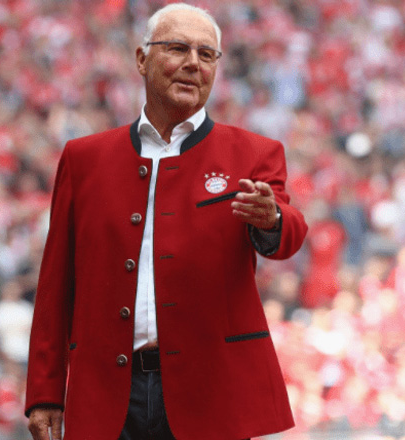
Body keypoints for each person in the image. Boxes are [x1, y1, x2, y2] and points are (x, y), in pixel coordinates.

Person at [25, 4, 308, 440]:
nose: (194, 63)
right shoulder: (84, 159)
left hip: (211, 394)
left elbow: (288, 232)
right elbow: (55, 283)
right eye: (178, 48)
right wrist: (45, 392)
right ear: (142, 59)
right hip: (104, 395)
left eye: (207, 54)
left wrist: (270, 219)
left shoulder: (254, 153)